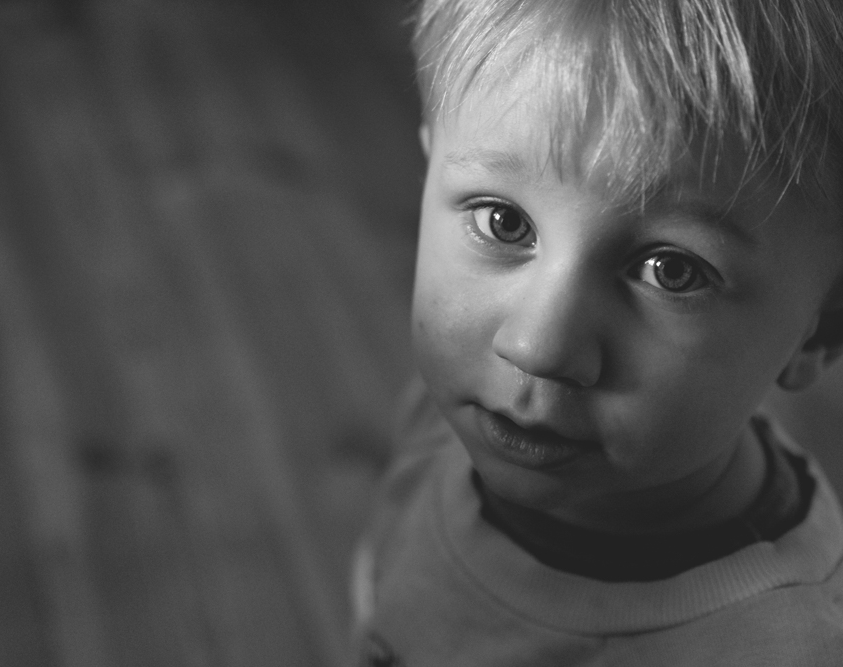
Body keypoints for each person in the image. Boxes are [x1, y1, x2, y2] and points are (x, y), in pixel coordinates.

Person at [351, 0, 843, 664]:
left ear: (821, 332)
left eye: (671, 270)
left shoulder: (774, 646)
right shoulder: (458, 418)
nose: (537, 347)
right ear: (430, 168)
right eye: (504, 222)